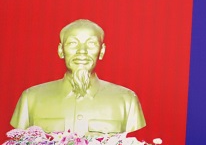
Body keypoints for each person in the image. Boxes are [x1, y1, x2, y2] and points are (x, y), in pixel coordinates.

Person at [10, 19, 146, 135]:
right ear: (60, 50)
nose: (82, 51)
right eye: (72, 43)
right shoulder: (31, 98)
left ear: (102, 51)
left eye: (91, 44)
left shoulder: (126, 100)